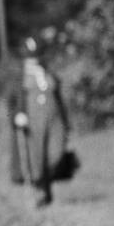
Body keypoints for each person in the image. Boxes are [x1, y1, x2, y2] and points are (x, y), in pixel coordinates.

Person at [7, 34, 71, 206]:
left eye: (35, 57)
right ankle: (41, 191)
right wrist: (17, 115)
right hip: (33, 122)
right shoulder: (19, 80)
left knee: (55, 154)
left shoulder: (48, 74)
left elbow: (58, 97)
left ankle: (46, 183)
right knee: (36, 158)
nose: (32, 61)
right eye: (29, 58)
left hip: (54, 120)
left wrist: (66, 122)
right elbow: (13, 103)